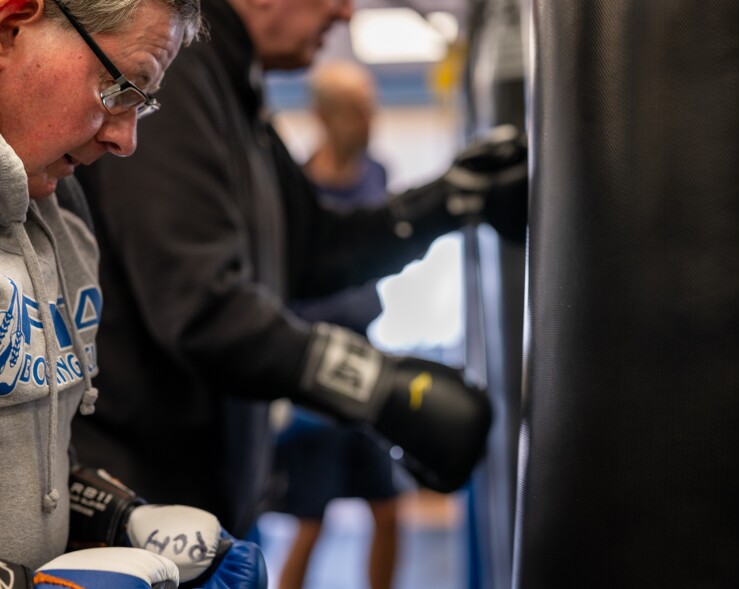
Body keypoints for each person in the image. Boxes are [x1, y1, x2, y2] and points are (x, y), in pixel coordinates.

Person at [71, 0, 527, 546]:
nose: (344, 12)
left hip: (205, 502)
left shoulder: (236, 92)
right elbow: (201, 306)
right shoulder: (174, 74)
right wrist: (375, 386)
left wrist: (449, 201)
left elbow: (314, 250)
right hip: (139, 513)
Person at [0, 1, 266, 585]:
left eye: (141, 102)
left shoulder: (63, 218)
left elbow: (29, 464)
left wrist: (118, 516)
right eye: (119, 87)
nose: (126, 140)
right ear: (10, 25)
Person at [274, 60, 401, 589]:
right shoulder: (297, 190)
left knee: (390, 509)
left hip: (368, 358)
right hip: (313, 369)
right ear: (324, 116)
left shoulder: (377, 173)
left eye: (370, 109)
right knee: (310, 520)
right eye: (354, 110)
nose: (367, 121)